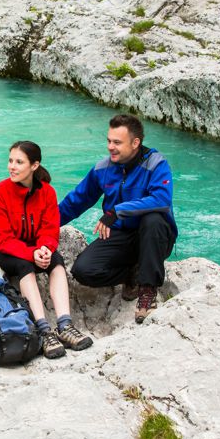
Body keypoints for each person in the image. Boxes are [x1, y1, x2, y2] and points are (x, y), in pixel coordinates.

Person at [58, 114, 178, 324]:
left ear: (135, 143)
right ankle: (133, 274)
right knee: (83, 270)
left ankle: (147, 290)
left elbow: (162, 200)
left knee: (153, 219)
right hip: (121, 235)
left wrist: (116, 211)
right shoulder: (102, 168)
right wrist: (42, 226)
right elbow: (75, 202)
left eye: (117, 142)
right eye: (109, 141)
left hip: (154, 237)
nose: (110, 147)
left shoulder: (156, 164)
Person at [0, 141, 93, 359]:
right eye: (10, 161)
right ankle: (43, 330)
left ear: (34, 165)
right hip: (0, 250)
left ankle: (65, 325)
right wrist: (31, 254)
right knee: (24, 265)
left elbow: (49, 229)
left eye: (19, 162)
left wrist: (45, 249)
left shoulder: (47, 192)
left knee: (56, 261)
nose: (12, 166)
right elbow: (2, 238)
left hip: (32, 247)